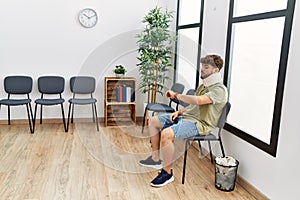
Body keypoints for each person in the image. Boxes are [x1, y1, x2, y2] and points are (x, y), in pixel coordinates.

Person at [139, 54, 228, 187]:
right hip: (186, 117)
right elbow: (194, 105)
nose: (202, 69)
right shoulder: (203, 86)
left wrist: (176, 95)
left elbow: (198, 100)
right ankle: (155, 159)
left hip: (200, 124)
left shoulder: (219, 90)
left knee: (166, 134)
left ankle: (167, 173)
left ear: (216, 70)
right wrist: (179, 111)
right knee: (152, 121)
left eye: (206, 67)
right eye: (202, 66)